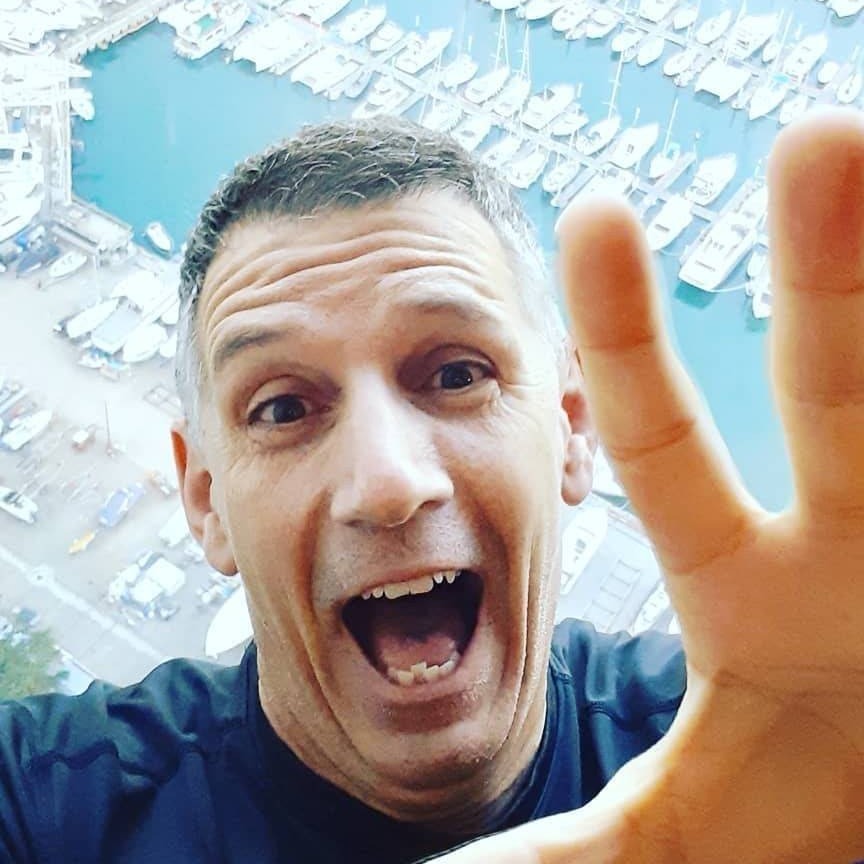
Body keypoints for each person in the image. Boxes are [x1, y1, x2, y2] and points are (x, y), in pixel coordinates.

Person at [0, 111, 862, 863]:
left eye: (456, 375)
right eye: (283, 407)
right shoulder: (51, 811)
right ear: (204, 497)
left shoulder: (782, 742)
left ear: (570, 425)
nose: (387, 482)